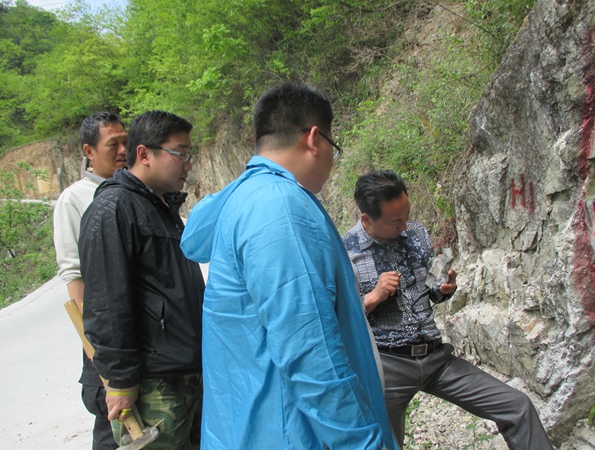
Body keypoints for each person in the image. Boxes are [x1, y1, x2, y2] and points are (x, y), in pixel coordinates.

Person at [180, 83, 398, 450]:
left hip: (247, 427)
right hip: (290, 433)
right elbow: (310, 352)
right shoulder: (278, 207)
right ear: (314, 139)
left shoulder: (244, 198)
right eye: (333, 147)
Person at [342, 170, 554, 450]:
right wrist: (372, 298)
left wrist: (443, 290)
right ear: (367, 219)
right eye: (395, 221)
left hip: (436, 357)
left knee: (517, 406)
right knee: (383, 444)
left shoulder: (416, 233)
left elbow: (428, 291)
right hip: (387, 364)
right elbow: (339, 320)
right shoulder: (345, 252)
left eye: (407, 215)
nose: (405, 225)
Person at [79, 110, 204, 449]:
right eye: (180, 154)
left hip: (184, 374)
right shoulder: (113, 209)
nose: (188, 165)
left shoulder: (161, 207)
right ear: (144, 154)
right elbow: (105, 304)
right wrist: (120, 380)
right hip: (152, 383)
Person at [53, 111, 128, 450]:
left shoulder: (134, 189)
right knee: (113, 424)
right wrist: (97, 349)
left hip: (136, 333)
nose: (123, 150)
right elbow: (74, 275)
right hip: (104, 336)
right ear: (89, 151)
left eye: (126, 141)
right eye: (113, 144)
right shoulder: (76, 199)